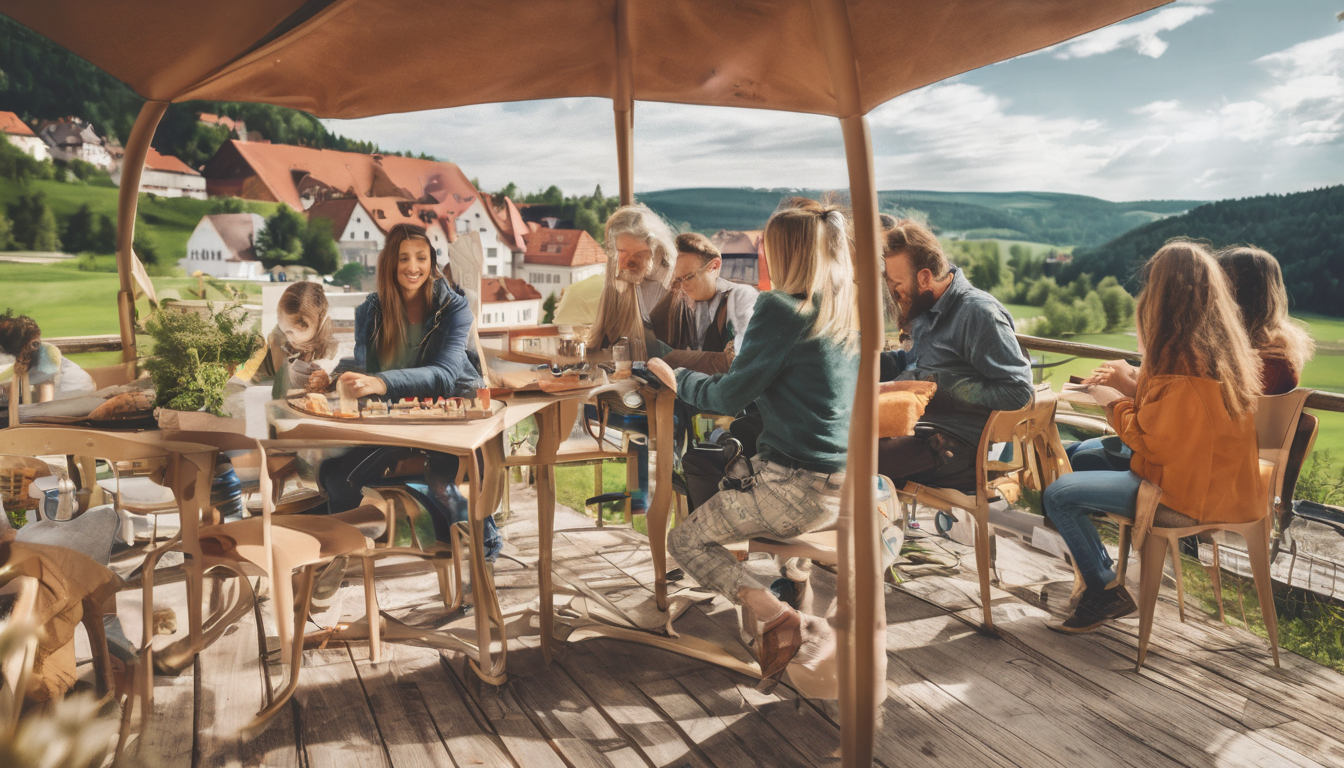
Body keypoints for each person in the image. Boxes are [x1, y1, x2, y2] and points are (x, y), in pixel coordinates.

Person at [647, 198, 857, 684]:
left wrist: (676, 377)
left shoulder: (779, 307)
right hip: (845, 488)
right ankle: (789, 594)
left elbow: (730, 391)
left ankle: (777, 612)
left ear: (780, 253)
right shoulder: (843, 309)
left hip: (795, 491)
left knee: (685, 539)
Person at [1044, 241, 1264, 633]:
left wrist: (1112, 400)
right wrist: (1132, 387)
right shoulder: (1221, 350)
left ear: (1163, 295)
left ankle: (1105, 588)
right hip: (1221, 485)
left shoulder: (1182, 358)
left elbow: (1152, 443)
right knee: (1077, 461)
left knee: (1059, 493)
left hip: (1181, 492)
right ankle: (1103, 581)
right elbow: (1176, 423)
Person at [325, 224, 501, 561]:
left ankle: (485, 545)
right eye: (403, 258)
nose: (412, 266)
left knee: (441, 483)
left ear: (432, 262)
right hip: (399, 419)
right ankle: (339, 559)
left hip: (455, 416)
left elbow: (446, 374)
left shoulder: (454, 308)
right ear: (390, 263)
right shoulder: (370, 311)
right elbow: (365, 365)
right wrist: (335, 375)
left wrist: (381, 382)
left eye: (421, 257)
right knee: (335, 475)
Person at [1071, 244, 1314, 471]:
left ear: (1231, 293)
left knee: (1082, 456)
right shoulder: (1275, 355)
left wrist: (1126, 386)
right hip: (1209, 460)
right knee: (1080, 451)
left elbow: (1191, 419)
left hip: (1202, 468)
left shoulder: (1260, 365)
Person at [877, 221, 1034, 491]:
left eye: (897, 285)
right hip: (923, 427)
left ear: (924, 277)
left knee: (857, 461)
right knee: (839, 440)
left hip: (959, 446)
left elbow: (1020, 393)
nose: (894, 295)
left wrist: (947, 385)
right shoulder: (926, 309)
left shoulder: (977, 313)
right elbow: (916, 364)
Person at [647, 233, 758, 374]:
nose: (683, 286)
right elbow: (648, 340)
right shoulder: (681, 296)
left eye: (689, 277)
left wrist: (673, 358)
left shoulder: (740, 297)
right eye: (678, 279)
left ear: (714, 266)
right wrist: (672, 292)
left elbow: (737, 361)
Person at [258, 282, 342, 400]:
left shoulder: (332, 347)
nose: (293, 338)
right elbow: (278, 386)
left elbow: (342, 376)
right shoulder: (279, 341)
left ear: (319, 322)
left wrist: (329, 381)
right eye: (288, 331)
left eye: (303, 327)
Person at [0, 309, 96, 402]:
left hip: (75, 393)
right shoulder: (24, 355)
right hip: (63, 394)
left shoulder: (46, 355)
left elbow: (45, 401)